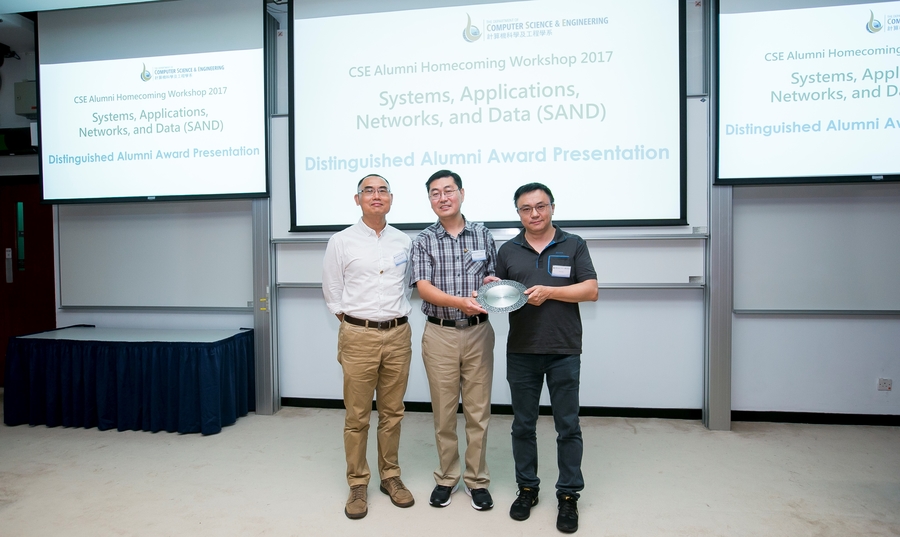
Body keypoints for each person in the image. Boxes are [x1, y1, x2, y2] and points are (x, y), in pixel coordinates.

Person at [495, 182, 598, 534]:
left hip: (563, 350)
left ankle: (568, 496)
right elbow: (502, 297)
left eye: (541, 206)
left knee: (568, 425)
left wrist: (551, 292)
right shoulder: (508, 250)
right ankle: (527, 489)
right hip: (521, 350)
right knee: (523, 425)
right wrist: (496, 288)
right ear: (519, 213)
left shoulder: (573, 244)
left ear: (552, 207)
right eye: (526, 208)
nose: (534, 214)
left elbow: (591, 289)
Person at [322, 174, 415, 520]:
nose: (376, 196)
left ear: (391, 198)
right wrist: (357, 322)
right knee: (357, 416)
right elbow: (333, 291)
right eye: (368, 191)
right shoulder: (341, 241)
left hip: (397, 336)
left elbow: (408, 287)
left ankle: (390, 476)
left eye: (382, 191)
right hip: (358, 336)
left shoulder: (405, 241)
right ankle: (358, 482)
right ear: (357, 199)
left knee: (393, 413)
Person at [409, 170, 498, 511]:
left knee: (478, 412)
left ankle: (477, 481)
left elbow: (492, 275)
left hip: (478, 332)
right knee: (444, 413)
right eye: (435, 193)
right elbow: (424, 289)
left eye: (449, 190)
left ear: (462, 193)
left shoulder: (483, 234)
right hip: (440, 334)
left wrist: (492, 280)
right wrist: (459, 301)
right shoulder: (423, 240)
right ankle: (447, 477)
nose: (443, 197)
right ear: (430, 200)